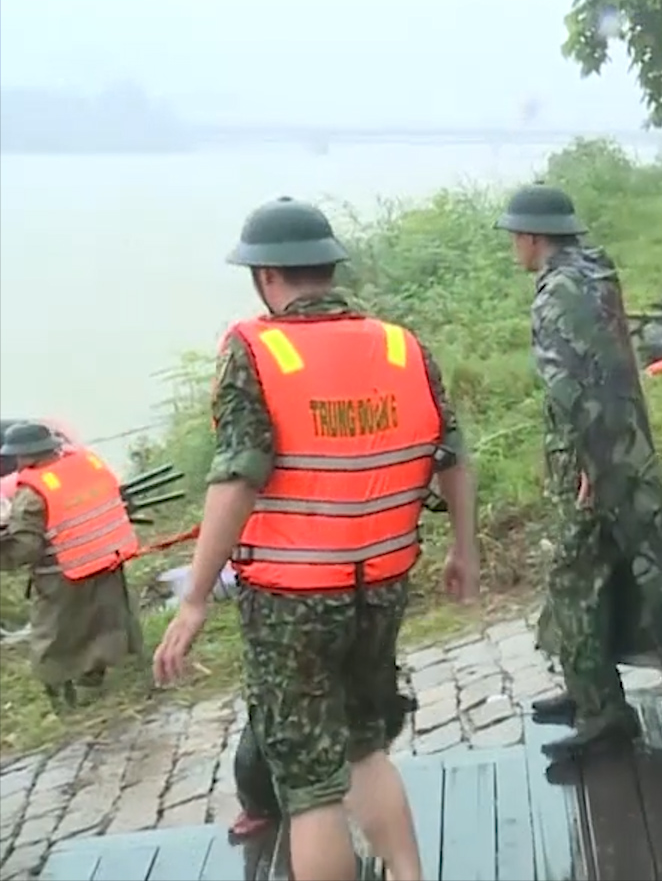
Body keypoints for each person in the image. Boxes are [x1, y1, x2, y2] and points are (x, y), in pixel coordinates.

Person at [151, 197, 481, 881]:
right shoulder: (401, 346)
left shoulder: (255, 349)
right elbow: (454, 457)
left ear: (266, 277)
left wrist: (194, 601)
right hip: (381, 588)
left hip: (290, 603)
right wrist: (464, 549)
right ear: (328, 268)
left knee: (310, 784)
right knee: (365, 748)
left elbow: (238, 476)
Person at [496, 184, 662, 756]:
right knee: (603, 572)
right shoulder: (596, 272)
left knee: (577, 580)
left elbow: (579, 384)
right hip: (616, 446)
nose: (513, 249)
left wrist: (589, 462)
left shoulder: (561, 293)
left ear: (531, 237)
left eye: (514, 239)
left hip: (597, 454)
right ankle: (587, 686)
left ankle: (605, 712)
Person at [0, 422, 144, 710]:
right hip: (106, 560)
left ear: (29, 455)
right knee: (105, 623)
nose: (15, 461)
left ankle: (62, 699)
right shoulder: (86, 465)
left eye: (17, 455)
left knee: (52, 637)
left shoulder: (33, 491)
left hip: (62, 575)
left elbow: (26, 547)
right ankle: (97, 678)